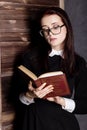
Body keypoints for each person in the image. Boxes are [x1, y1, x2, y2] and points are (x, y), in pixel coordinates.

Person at [16, 7, 87, 130]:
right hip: (34, 122)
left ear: (67, 28)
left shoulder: (78, 62)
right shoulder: (30, 57)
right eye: (45, 29)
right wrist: (30, 95)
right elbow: (16, 100)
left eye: (55, 27)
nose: (50, 33)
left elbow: (85, 105)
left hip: (63, 123)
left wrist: (62, 101)